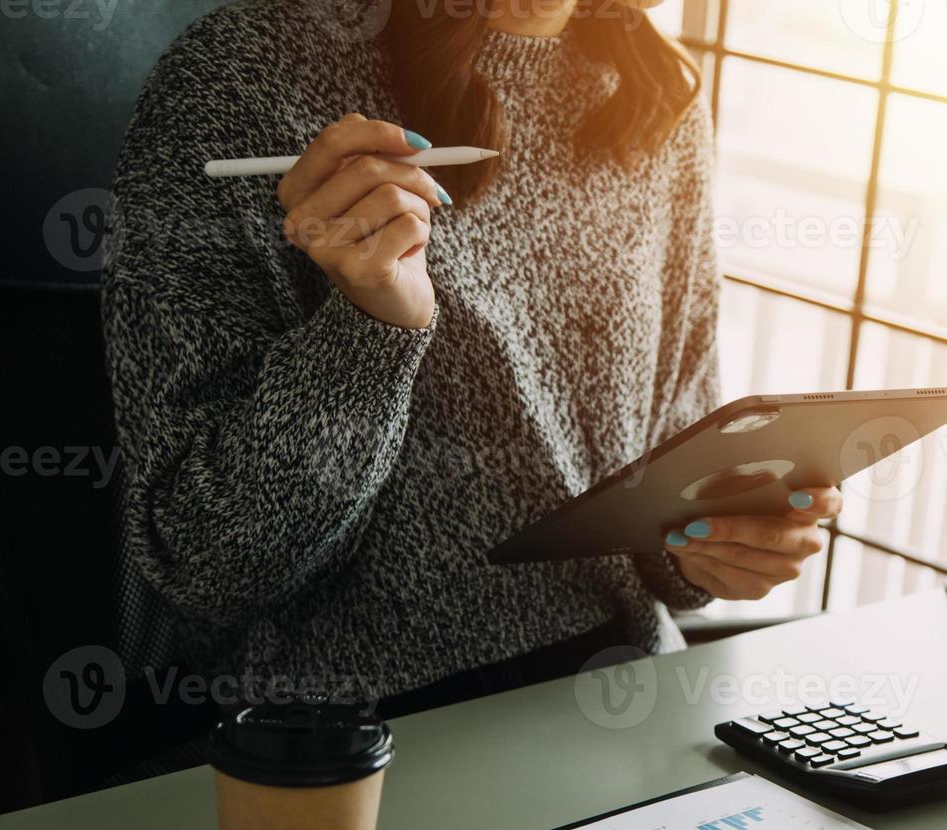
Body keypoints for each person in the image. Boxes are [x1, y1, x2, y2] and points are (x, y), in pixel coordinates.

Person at [101, 0, 839, 765]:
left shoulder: (651, 91)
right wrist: (371, 326)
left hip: (622, 699)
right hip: (333, 743)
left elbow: (662, 455)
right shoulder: (242, 80)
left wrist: (702, 551)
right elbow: (206, 559)